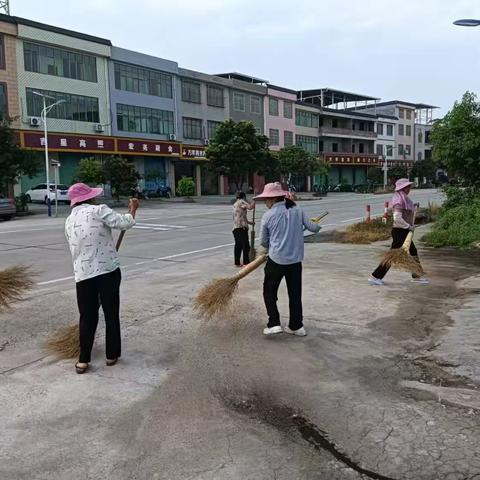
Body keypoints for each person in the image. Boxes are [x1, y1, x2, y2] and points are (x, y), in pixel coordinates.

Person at [65, 183, 138, 374]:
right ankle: (111, 355)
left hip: (83, 274)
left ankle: (83, 360)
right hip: (107, 271)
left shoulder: (69, 220)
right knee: (110, 312)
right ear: (90, 198)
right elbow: (124, 223)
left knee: (87, 317)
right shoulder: (99, 210)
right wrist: (133, 210)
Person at [254, 182, 321, 337]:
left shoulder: (268, 216)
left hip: (276, 260)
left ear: (272, 199)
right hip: (295, 262)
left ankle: (274, 323)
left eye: (266, 200)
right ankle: (296, 326)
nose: (265, 203)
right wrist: (316, 223)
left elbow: (263, 242)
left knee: (269, 292)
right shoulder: (297, 210)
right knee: (295, 294)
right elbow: (313, 228)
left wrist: (273, 242)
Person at [369, 178, 429, 286]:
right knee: (393, 255)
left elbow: (407, 212)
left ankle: (417, 276)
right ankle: (376, 276)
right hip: (400, 231)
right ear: (402, 188)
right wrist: (408, 226)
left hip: (403, 230)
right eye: (407, 187)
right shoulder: (398, 201)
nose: (409, 189)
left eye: (409, 186)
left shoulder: (404, 199)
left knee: (413, 252)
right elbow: (397, 218)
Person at [232, 191, 254, 267]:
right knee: (246, 245)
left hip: (235, 228)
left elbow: (242, 217)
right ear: (243, 197)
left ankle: (237, 263)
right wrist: (253, 201)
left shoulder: (235, 204)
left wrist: (250, 223)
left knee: (238, 245)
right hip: (241, 228)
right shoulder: (241, 202)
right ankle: (246, 263)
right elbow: (250, 207)